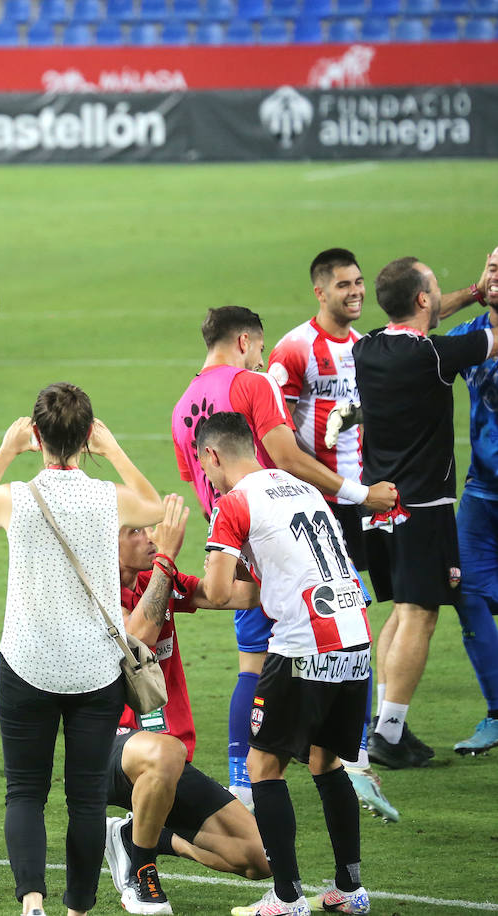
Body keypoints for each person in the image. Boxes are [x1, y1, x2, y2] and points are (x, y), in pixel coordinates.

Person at [172, 305, 394, 806]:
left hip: (231, 540)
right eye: (262, 348)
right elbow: (289, 458)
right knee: (348, 622)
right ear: (246, 341)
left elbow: (199, 486)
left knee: (252, 664)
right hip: (283, 535)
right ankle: (352, 765)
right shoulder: (254, 385)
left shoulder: (181, 406)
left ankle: (243, 784)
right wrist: (360, 494)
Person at [0, 386, 163, 916]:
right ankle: (78, 908)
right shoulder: (107, 497)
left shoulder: (17, 497)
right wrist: (113, 449)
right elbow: (154, 505)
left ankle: (32, 901)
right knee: (87, 798)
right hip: (96, 669)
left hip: (27, 662)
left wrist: (6, 450)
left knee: (25, 792)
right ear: (86, 435)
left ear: (37, 434)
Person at [199, 411, 373, 916]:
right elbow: (277, 581)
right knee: (327, 760)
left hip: (304, 642)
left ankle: (287, 896)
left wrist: (176, 584)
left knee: (263, 765)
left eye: (203, 466)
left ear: (213, 455)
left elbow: (217, 591)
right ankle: (349, 888)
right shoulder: (300, 487)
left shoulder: (233, 503)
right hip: (354, 633)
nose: (206, 477)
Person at [265, 247, 398, 819]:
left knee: (362, 622)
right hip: (318, 509)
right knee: (321, 628)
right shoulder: (296, 349)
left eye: (360, 283)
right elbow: (275, 431)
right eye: (344, 285)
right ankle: (322, 755)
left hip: (362, 504)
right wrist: (346, 490)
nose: (355, 292)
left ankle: (355, 749)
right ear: (320, 291)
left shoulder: (363, 346)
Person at [354, 256, 498, 769]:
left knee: (401, 611)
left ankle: (383, 725)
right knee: (421, 615)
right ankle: (389, 734)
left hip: (378, 507)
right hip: (424, 508)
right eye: (434, 288)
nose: (439, 295)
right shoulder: (437, 357)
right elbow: (491, 340)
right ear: (421, 300)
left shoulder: (367, 346)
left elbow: (433, 317)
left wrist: (475, 292)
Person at [104, 495, 269, 916]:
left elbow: (243, 596)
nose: (150, 537)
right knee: (168, 749)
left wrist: (242, 547)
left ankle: (144, 837)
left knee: (258, 858)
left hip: (164, 760)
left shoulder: (156, 578)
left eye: (149, 529)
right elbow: (135, 637)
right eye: (136, 531)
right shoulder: (94, 588)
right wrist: (167, 559)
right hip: (104, 746)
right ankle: (142, 874)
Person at [447, 246, 498, 755]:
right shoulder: (472, 337)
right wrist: (472, 291)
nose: (497, 273)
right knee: (467, 595)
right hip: (482, 492)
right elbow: (417, 325)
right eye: (492, 265)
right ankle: (497, 712)